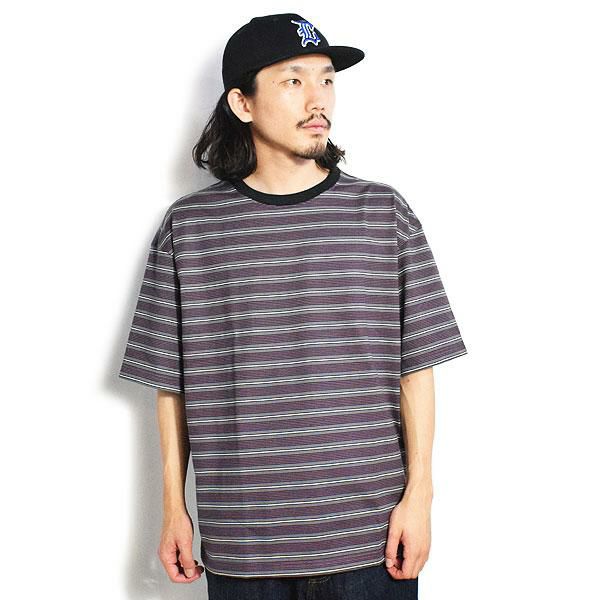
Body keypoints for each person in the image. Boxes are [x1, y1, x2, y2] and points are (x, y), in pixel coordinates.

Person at [118, 12, 468, 600]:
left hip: (371, 541)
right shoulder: (191, 229)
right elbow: (171, 385)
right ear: (242, 103)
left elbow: (417, 369)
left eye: (327, 79)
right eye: (293, 80)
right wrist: (173, 508)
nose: (318, 98)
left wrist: (420, 497)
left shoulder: (383, 214)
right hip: (243, 545)